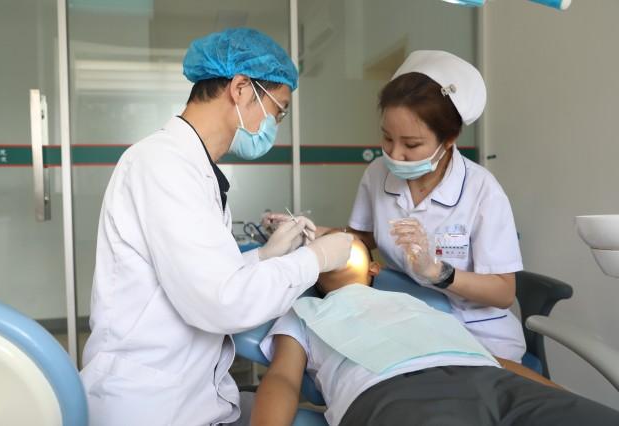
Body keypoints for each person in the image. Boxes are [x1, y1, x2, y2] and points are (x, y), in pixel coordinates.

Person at [79, 28, 353, 426]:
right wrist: (315, 258)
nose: (275, 125)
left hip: (187, 393)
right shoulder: (163, 165)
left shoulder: (194, 168)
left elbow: (205, 275)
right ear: (240, 89)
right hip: (149, 403)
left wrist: (265, 255)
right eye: (278, 111)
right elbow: (222, 302)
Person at [251, 235, 619, 426]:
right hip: (396, 394)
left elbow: (493, 361)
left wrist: (562, 397)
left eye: (345, 238)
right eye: (325, 243)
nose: (336, 244)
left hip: (495, 383)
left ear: (375, 268)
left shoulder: (412, 302)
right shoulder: (305, 311)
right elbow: (282, 379)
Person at [344, 50, 526, 361]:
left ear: (449, 138)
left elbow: (503, 292)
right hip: (408, 320)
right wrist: (314, 237)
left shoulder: (482, 191)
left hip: (476, 333)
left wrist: (439, 272)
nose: (394, 155)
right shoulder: (377, 173)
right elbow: (362, 239)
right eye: (387, 138)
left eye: (411, 144)